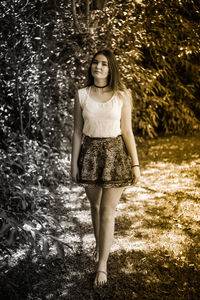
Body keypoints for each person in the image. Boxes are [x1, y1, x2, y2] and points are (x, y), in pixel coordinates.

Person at [71, 49, 140, 287]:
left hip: (115, 156)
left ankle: (102, 265)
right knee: (95, 207)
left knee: (107, 212)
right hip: (89, 155)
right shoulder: (81, 94)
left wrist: (135, 163)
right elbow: (78, 132)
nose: (98, 67)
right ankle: (101, 250)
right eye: (95, 63)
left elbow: (128, 131)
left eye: (103, 64)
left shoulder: (122, 95)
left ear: (110, 69)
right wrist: (74, 164)